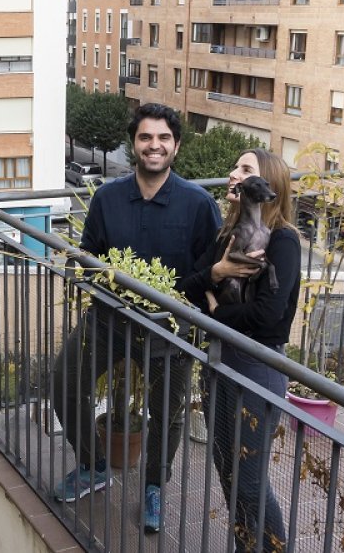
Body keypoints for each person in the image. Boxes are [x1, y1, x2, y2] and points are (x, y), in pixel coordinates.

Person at [51, 104, 222, 533]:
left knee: (170, 413)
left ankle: (153, 485)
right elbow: (86, 256)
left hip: (170, 330)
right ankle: (94, 466)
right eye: (146, 138)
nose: (154, 146)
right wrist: (93, 276)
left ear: (176, 146)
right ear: (134, 145)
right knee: (65, 383)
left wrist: (192, 321)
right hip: (108, 321)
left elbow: (210, 273)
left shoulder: (199, 205)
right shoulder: (108, 198)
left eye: (163, 138)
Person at [180, 148, 300, 553]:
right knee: (226, 471)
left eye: (245, 169)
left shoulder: (283, 240)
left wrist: (216, 312)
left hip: (257, 367)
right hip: (219, 362)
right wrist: (218, 273)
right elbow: (189, 287)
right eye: (235, 167)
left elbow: (269, 317)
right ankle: (246, 546)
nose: (233, 174)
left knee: (249, 479)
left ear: (267, 184)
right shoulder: (226, 237)